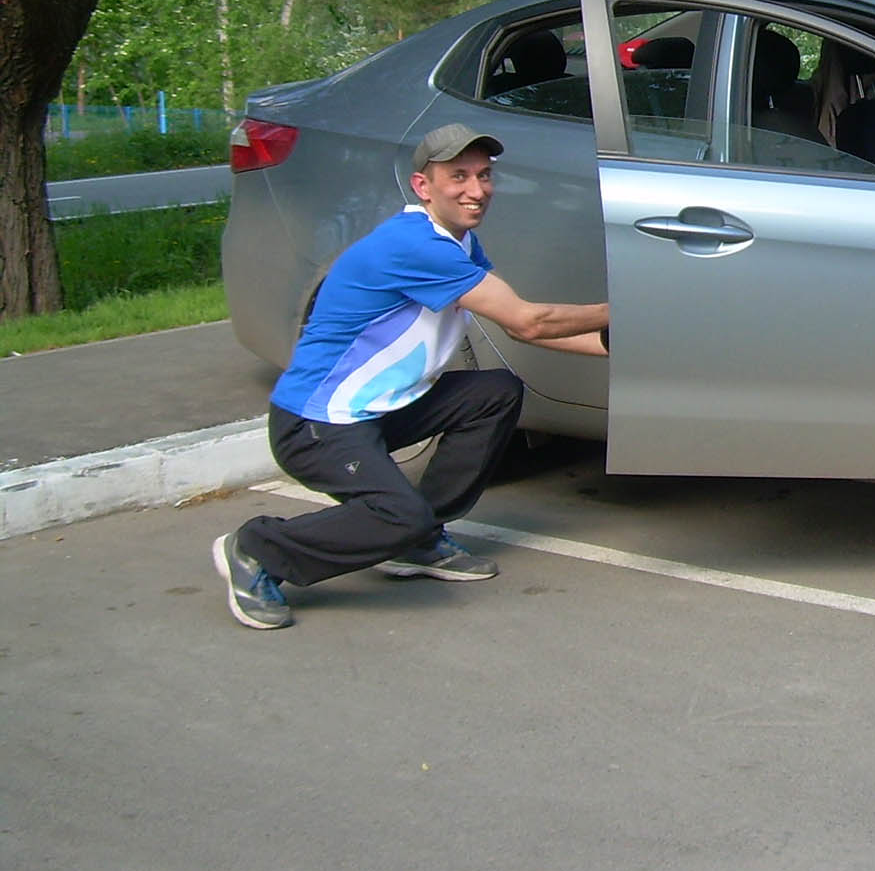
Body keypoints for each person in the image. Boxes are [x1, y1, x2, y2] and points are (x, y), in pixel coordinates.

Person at [212, 123, 609, 630]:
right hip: (316, 424)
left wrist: (618, 348)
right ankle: (258, 549)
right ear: (424, 186)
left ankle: (419, 541)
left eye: (484, 175)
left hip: (380, 413)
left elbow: (527, 331)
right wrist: (621, 312)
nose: (476, 189)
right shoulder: (412, 245)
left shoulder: (457, 244)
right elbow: (529, 319)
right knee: (398, 514)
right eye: (458, 176)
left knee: (494, 393)